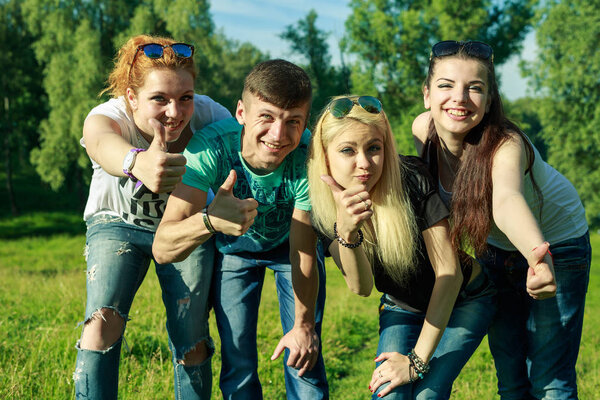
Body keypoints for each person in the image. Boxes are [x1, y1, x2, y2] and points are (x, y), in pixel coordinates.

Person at [412, 40, 591, 399]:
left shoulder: (507, 142)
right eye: (446, 85)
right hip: (493, 252)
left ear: (490, 99)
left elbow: (505, 200)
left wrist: (538, 257)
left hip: (556, 245)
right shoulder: (423, 131)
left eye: (474, 88)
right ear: (427, 94)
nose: (459, 98)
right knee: (509, 372)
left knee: (550, 378)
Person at [153, 59, 329, 399]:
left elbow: (303, 250)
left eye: (293, 122)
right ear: (241, 112)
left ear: (306, 123)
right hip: (234, 251)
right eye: (266, 116)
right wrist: (210, 220)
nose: (278, 135)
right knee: (238, 363)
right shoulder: (210, 148)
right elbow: (162, 247)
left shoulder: (310, 157)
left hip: (290, 248)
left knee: (304, 357)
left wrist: (304, 326)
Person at [73, 34, 231, 399]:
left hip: (185, 227)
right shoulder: (110, 115)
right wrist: (136, 161)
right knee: (101, 323)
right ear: (131, 97)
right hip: (117, 223)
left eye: (185, 98)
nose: (174, 113)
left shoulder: (210, 117)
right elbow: (99, 141)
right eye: (159, 98)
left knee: (192, 338)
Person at [308, 95, 495, 399]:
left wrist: (416, 362)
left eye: (374, 148)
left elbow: (449, 273)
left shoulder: (411, 178)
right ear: (325, 155)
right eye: (347, 150)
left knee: (426, 394)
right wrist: (346, 230)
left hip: (465, 297)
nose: (365, 163)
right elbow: (362, 287)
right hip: (402, 306)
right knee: (388, 393)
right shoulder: (322, 210)